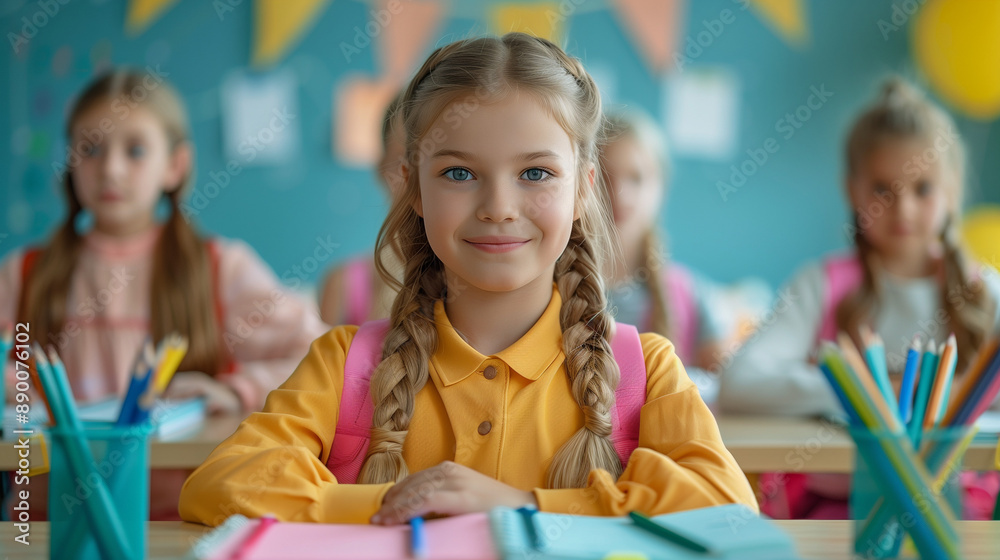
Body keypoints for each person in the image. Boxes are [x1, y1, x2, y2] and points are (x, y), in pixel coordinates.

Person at [179, 33, 756, 526]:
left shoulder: (644, 370)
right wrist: (398, 503)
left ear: (583, 188)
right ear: (413, 187)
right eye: (459, 172)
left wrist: (520, 505)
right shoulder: (345, 363)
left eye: (535, 172)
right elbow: (220, 484)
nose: (499, 207)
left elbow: (728, 507)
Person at [719, 77, 1000, 519]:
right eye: (883, 190)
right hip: (837, 505)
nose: (903, 209)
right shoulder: (820, 284)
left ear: (952, 191)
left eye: (923, 188)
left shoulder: (985, 291)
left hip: (957, 507)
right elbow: (739, 382)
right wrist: (862, 392)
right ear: (853, 191)